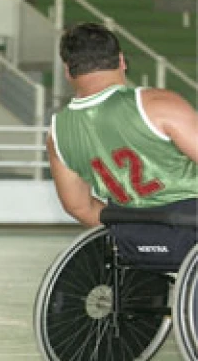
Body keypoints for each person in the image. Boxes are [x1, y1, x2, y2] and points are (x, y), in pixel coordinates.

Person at [47, 22, 197, 262]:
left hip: (130, 237)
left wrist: (130, 225)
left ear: (67, 71)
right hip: (190, 225)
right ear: (122, 60)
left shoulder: (57, 134)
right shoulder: (158, 104)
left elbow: (80, 207)